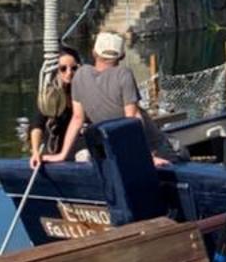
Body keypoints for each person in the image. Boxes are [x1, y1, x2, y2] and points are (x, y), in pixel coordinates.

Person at [45, 30, 170, 166]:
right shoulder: (124, 74)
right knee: (179, 153)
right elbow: (133, 118)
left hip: (116, 146)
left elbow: (77, 119)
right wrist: (145, 155)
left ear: (94, 52)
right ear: (121, 56)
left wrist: (62, 154)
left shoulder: (80, 75)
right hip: (152, 146)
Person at [28, 46, 81, 164]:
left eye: (73, 68)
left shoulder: (83, 91)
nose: (69, 73)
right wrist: (36, 151)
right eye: (63, 68)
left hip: (77, 148)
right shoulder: (50, 95)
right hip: (54, 150)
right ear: (56, 70)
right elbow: (37, 124)